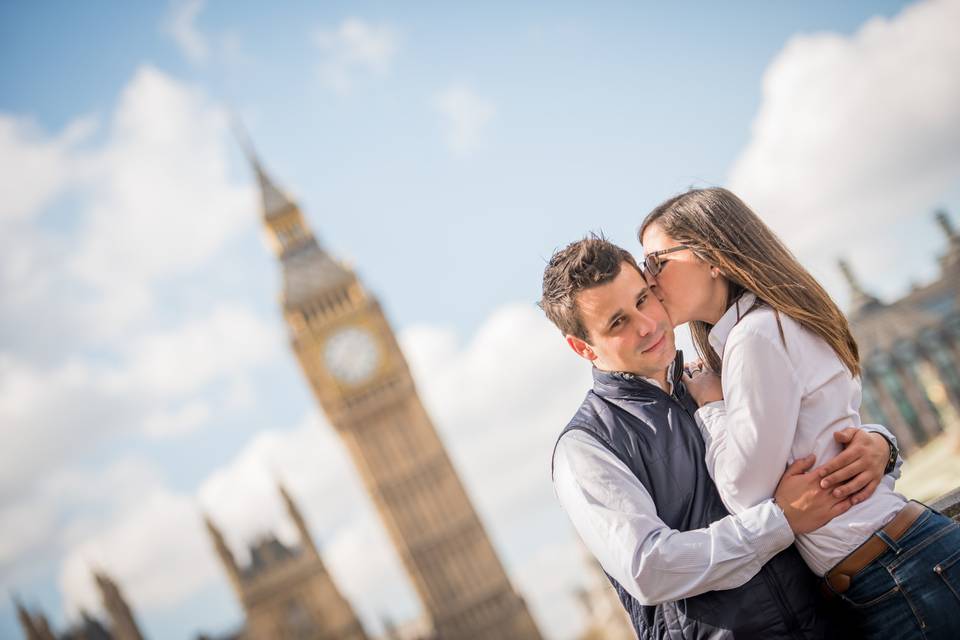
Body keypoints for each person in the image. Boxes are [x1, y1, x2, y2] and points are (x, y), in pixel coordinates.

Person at [638, 187, 960, 640]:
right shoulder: (765, 325)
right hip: (898, 567)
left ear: (711, 255)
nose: (648, 281)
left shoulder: (755, 337)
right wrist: (881, 444)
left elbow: (743, 491)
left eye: (656, 262)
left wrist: (710, 407)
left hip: (899, 575)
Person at [541, 236, 896, 639]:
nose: (646, 325)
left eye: (643, 299)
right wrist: (779, 520)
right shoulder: (586, 446)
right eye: (618, 322)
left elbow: (811, 435)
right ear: (582, 347)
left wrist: (880, 446)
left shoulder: (720, 372)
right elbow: (650, 568)